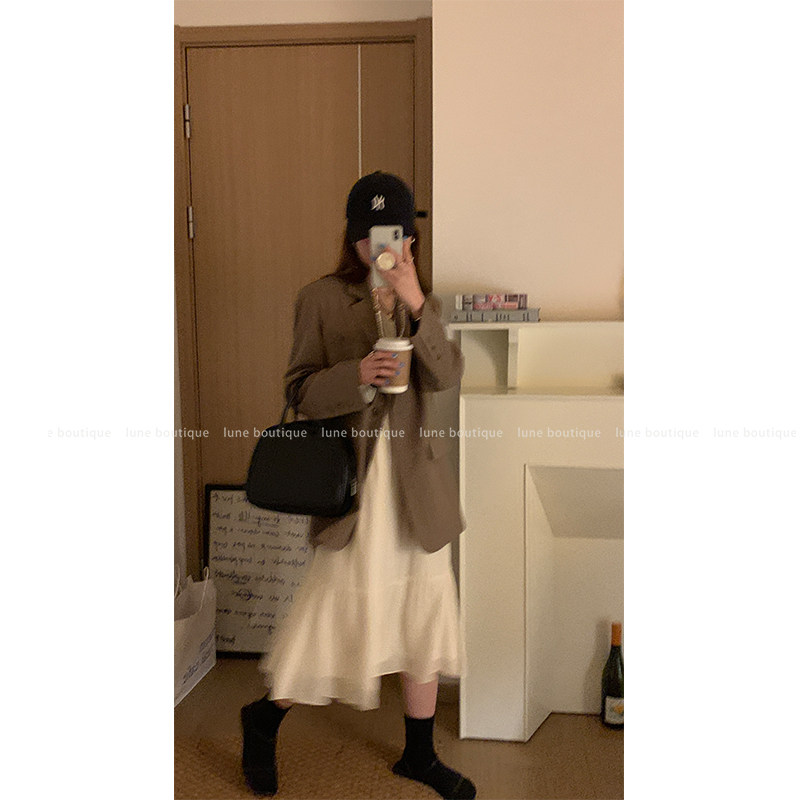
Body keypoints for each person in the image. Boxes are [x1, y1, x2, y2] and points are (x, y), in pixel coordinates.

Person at [240, 172, 476, 800]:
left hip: (417, 489)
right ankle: (264, 717)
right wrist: (359, 375)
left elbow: (447, 375)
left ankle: (419, 755)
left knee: (424, 613)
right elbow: (298, 389)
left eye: (394, 232)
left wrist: (416, 302)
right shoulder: (319, 298)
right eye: (368, 234)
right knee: (330, 613)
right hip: (355, 489)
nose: (381, 245)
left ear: (411, 238)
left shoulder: (425, 301)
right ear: (351, 239)